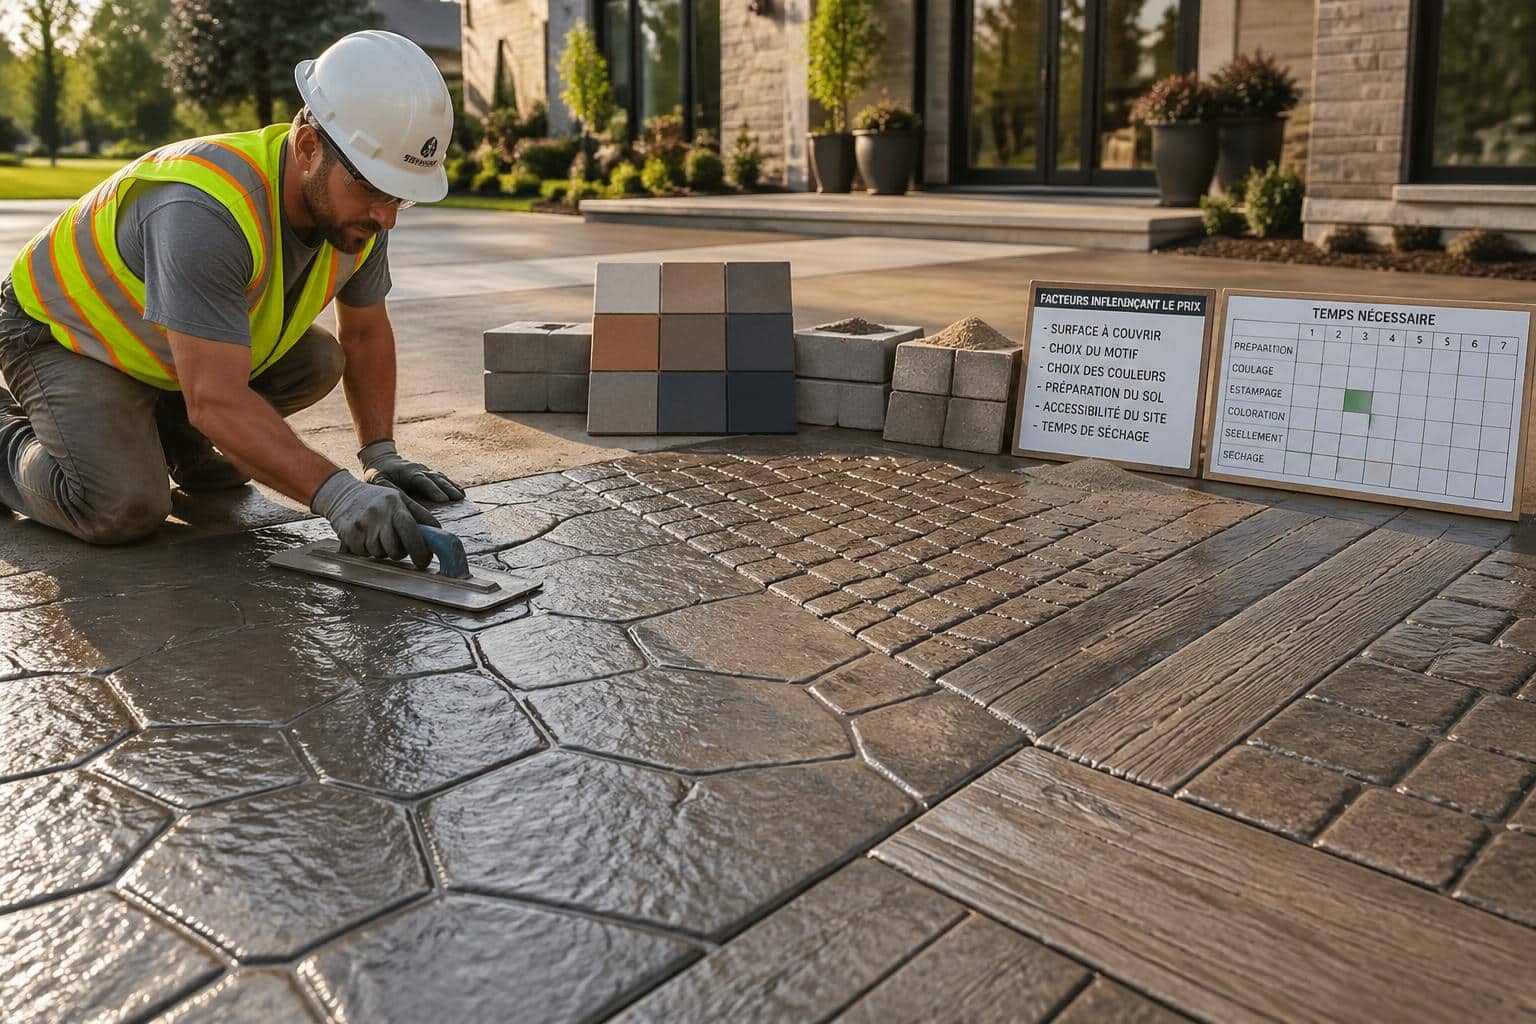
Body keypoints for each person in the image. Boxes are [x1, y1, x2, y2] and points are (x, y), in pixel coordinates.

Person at [0, 30, 463, 568]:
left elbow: (362, 335)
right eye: (375, 190)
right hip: (60, 335)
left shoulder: (362, 217)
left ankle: (171, 437)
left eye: (400, 195)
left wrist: (380, 455)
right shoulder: (206, 211)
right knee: (123, 506)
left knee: (317, 361)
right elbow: (215, 398)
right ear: (310, 148)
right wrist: (336, 495)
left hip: (155, 347)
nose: (387, 216)